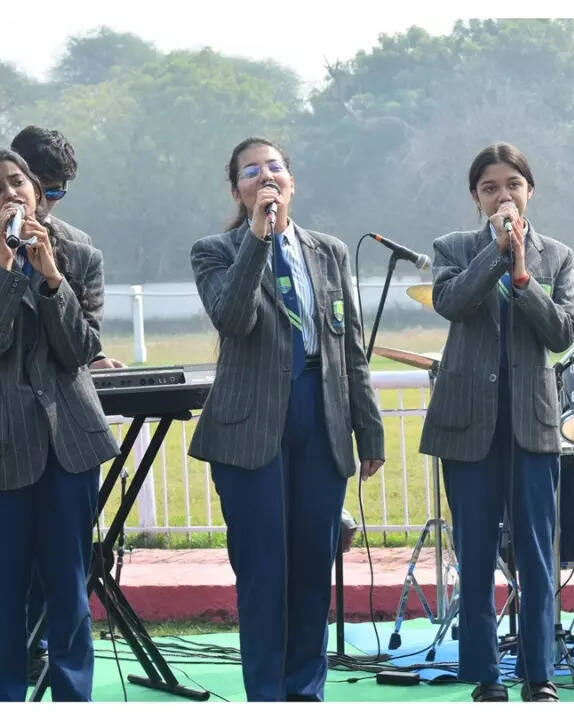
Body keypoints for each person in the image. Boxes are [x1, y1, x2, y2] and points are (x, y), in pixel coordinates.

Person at [0, 125, 119, 701]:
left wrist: (52, 275)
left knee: (68, 585)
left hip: (70, 442)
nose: (14, 194)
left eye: (22, 184)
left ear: (37, 190)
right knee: (2, 583)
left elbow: (81, 350)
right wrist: (7, 269)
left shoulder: (81, 255)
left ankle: (72, 698)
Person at [188, 137, 385, 702]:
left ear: (292, 182)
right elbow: (233, 317)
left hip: (321, 416)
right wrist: (257, 237)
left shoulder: (329, 251)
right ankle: (266, 696)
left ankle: (305, 692)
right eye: (252, 172)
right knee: (263, 570)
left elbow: (350, 348)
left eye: (275, 168)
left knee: (311, 565)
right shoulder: (215, 250)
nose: (265, 177)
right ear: (238, 191)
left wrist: (367, 428)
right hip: (251, 426)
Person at [419, 142, 574, 702]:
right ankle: (485, 677)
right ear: (475, 198)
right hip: (467, 426)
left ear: (529, 189)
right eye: (489, 187)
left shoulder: (557, 256)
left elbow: (563, 334)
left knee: (537, 554)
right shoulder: (454, 247)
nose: (502, 194)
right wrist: (496, 251)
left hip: (531, 424)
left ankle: (540, 674)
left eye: (512, 184)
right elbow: (454, 303)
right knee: (475, 552)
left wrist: (523, 275)